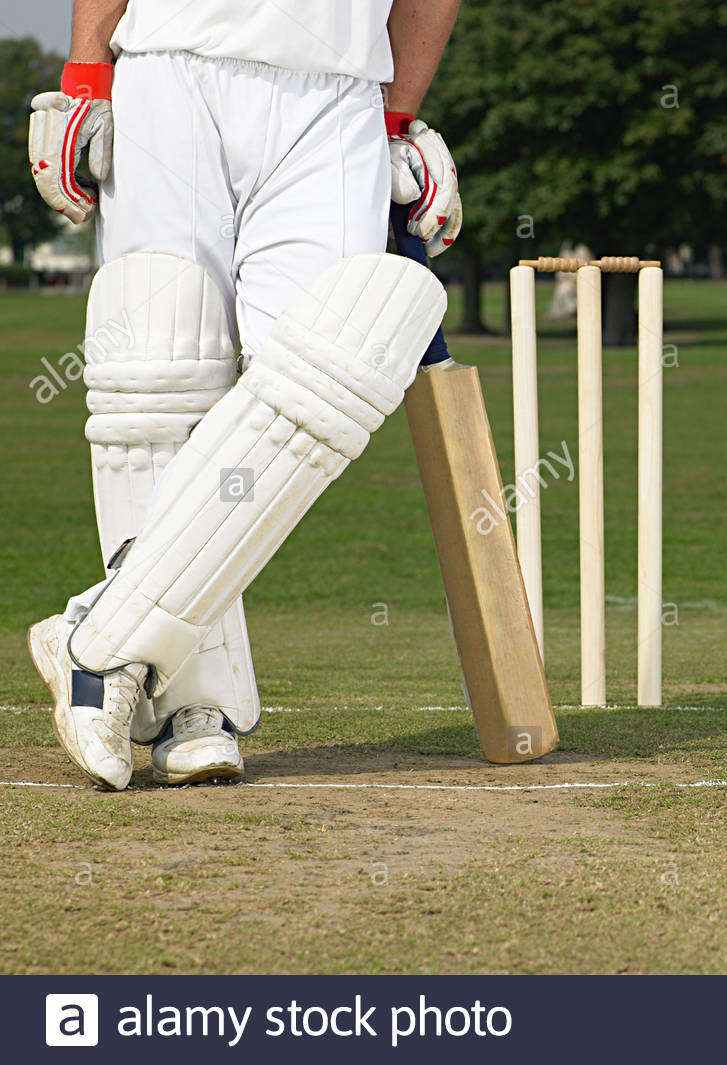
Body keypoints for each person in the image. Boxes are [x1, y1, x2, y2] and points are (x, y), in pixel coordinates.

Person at [26, 0, 462, 789]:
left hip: (338, 87)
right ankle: (195, 706)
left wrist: (397, 115)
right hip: (169, 58)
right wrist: (87, 74)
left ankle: (99, 634)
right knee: (162, 371)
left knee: (325, 381)